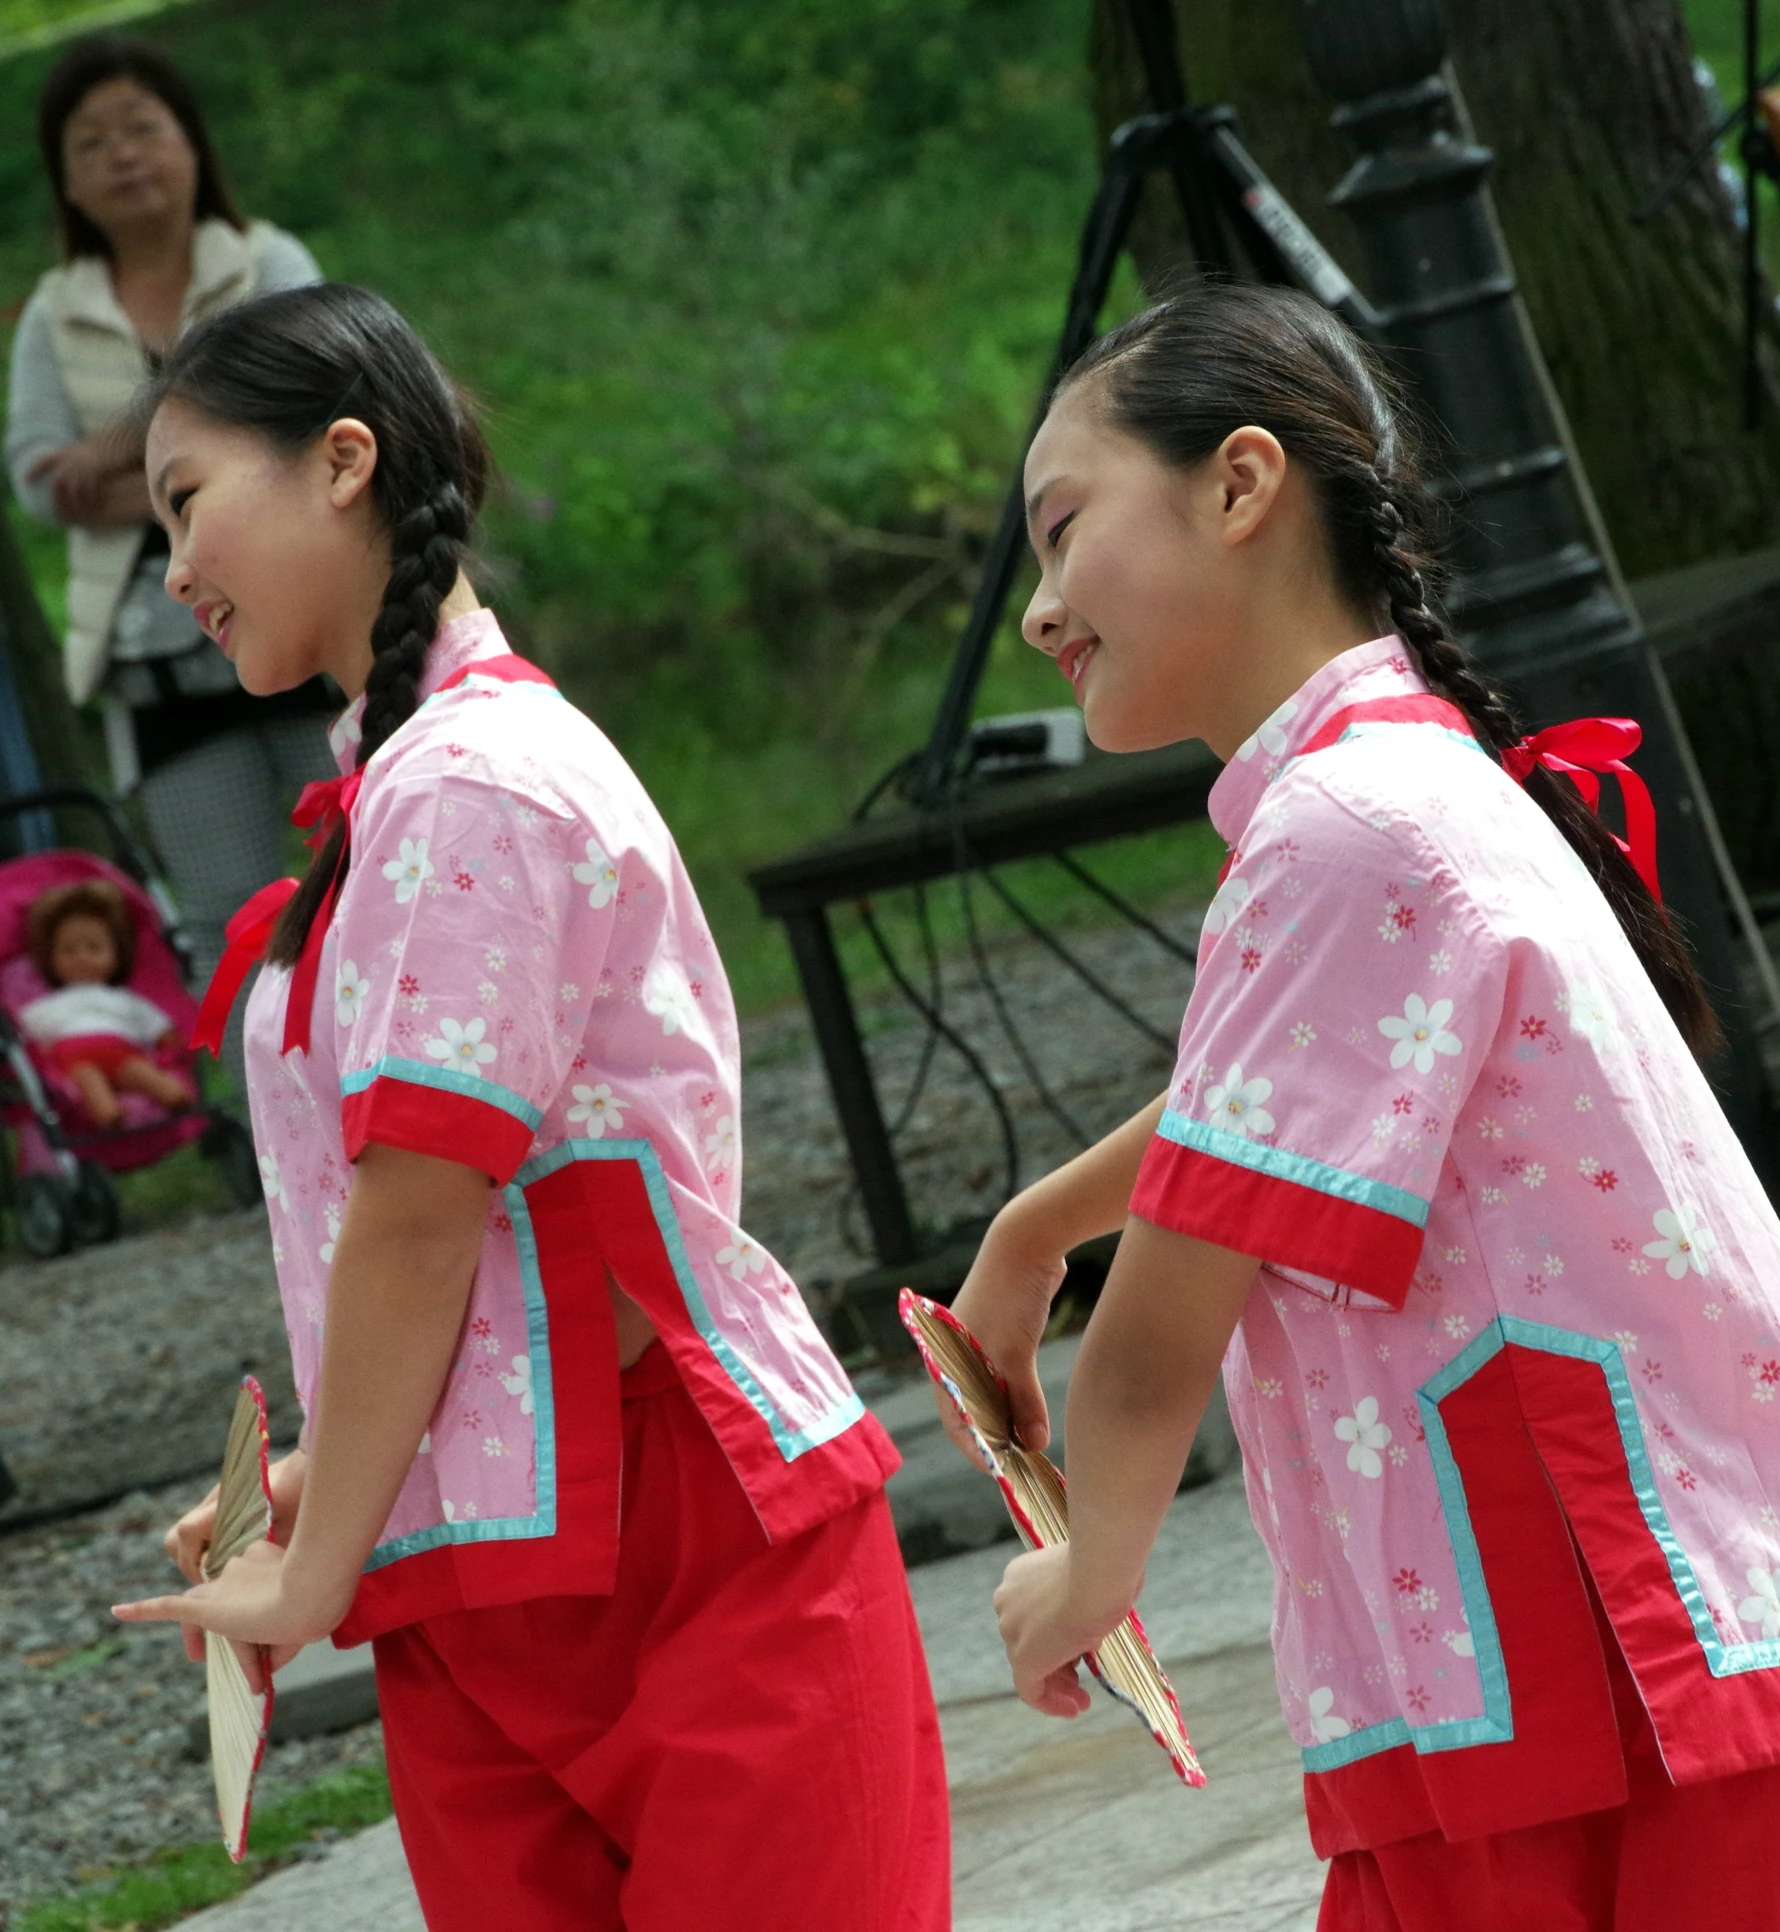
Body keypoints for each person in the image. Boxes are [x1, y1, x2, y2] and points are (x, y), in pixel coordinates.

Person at [941, 284, 1780, 1930]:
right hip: (1572, 1655)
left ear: (1239, 485)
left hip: (1623, 1664)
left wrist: (1091, 1557)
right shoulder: (1390, 783)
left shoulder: (1342, 821)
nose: (1039, 608)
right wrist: (1039, 1224)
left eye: (1062, 527)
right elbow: (1256, 1091)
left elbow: (1183, 1277)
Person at [109, 285, 950, 1932]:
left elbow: (427, 1213)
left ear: (341, 460)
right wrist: (312, 1502)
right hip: (491, 1571)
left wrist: (316, 1551)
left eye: (187, 500)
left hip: (682, 1544)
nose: (175, 570)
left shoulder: (468, 779)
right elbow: (457, 1235)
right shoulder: (398, 785)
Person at [5, 37, 330, 982]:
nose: (122, 155)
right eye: (91, 143)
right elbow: (37, 481)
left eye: (142, 128)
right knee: (229, 913)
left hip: (304, 613)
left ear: (191, 144)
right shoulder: (51, 315)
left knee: (365, 867)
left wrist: (112, 452)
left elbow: (308, 408)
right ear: (66, 182)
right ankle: (273, 1121)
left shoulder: (268, 261)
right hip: (156, 658)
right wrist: (215, 442)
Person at [21, 877, 190, 1126]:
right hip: (75, 1059)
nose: (82, 957)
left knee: (138, 1070)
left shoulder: (125, 999)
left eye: (94, 948)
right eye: (69, 950)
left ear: (116, 953)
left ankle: (174, 1095)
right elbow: (28, 1033)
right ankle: (108, 1113)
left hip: (122, 1053)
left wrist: (168, 1040)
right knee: (88, 1079)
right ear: (51, 959)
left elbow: (155, 1025)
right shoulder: (51, 1004)